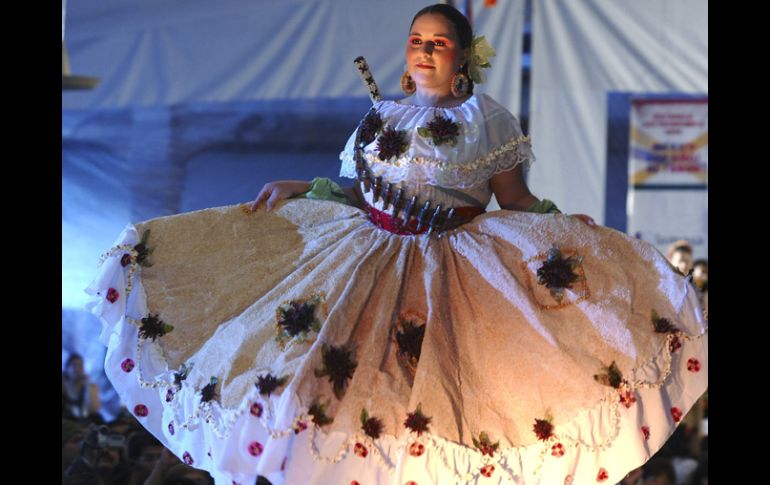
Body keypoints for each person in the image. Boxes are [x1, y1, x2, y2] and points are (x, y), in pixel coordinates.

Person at [87, 4, 707, 484]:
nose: (425, 50)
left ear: (463, 55)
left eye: (439, 42)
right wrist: (302, 186)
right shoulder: (381, 116)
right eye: (417, 41)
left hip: (454, 268)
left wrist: (563, 228)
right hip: (366, 255)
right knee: (327, 378)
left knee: (444, 395)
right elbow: (362, 190)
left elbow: (513, 199)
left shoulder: (486, 119)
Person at [62, 352, 102, 421]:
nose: (77, 369)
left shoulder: (87, 386)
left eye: (80, 366)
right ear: (67, 368)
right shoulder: (64, 385)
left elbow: (95, 409)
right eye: (74, 365)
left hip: (84, 422)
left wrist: (88, 386)